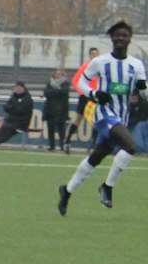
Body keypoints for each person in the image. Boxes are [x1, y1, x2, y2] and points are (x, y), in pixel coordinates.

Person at [58, 21, 145, 214]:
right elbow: (81, 82)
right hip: (104, 114)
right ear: (112, 38)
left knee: (95, 158)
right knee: (131, 146)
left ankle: (67, 190)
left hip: (121, 116)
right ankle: (107, 186)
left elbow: (142, 85)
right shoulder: (100, 62)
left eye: (124, 35)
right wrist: (94, 94)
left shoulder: (136, 64)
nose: (120, 38)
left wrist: (141, 87)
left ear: (129, 39)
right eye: (117, 35)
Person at [0, 79, 34, 147]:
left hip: (21, 123)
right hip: (11, 120)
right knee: (4, 126)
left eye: (19, 88)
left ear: (23, 88)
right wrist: (14, 108)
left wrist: (13, 108)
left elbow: (21, 111)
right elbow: (7, 107)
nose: (17, 89)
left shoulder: (27, 99)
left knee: (9, 129)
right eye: (16, 87)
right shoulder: (14, 97)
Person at [41, 68, 71, 152]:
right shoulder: (50, 83)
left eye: (60, 74)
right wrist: (57, 91)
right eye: (57, 74)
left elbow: (64, 92)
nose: (58, 75)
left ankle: (62, 146)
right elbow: (46, 93)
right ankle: (52, 146)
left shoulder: (65, 84)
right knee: (50, 129)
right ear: (53, 74)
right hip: (50, 110)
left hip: (61, 110)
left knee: (61, 129)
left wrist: (54, 92)